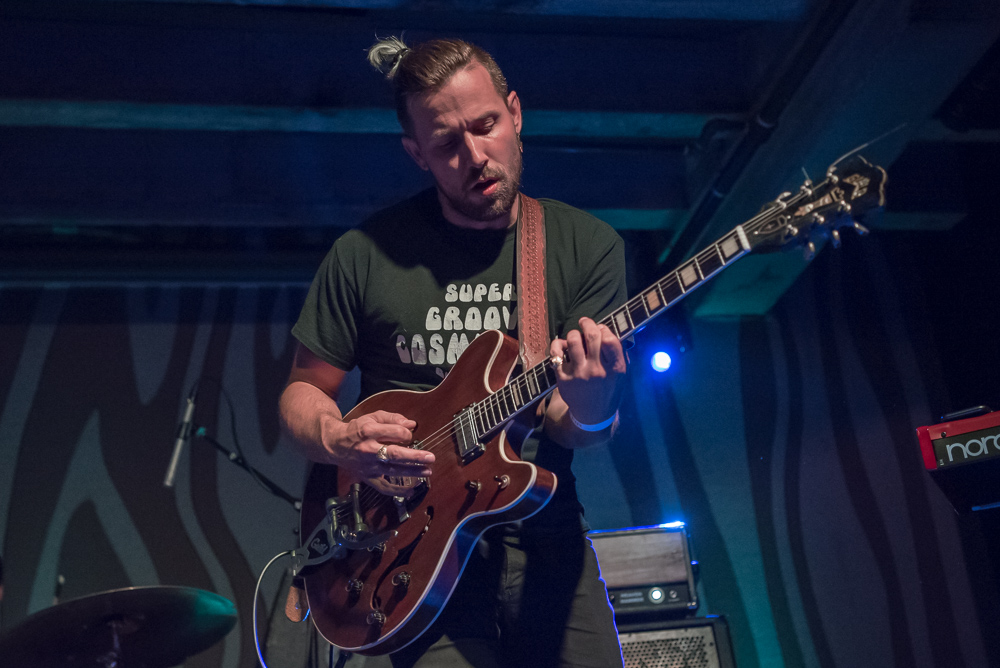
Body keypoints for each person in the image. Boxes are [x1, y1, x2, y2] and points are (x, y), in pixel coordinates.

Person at [279, 36, 627, 668]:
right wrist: (336, 440)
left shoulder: (586, 245)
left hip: (541, 534)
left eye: (486, 125)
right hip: (405, 546)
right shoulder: (364, 254)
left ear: (515, 113)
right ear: (417, 153)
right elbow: (304, 392)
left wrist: (593, 404)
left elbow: (570, 428)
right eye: (446, 144)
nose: (475, 155)